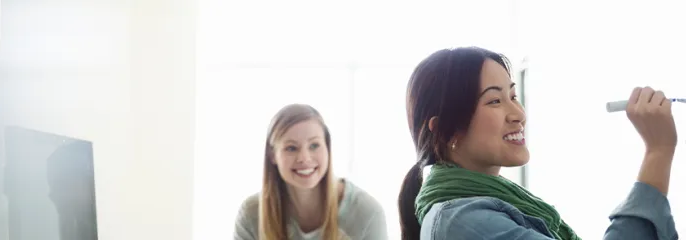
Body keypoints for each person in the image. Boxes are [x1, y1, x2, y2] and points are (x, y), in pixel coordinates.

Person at [397, 47, 678, 240]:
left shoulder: (483, 207)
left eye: (513, 96)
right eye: (494, 100)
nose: (518, 114)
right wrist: (658, 151)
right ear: (445, 131)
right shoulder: (462, 222)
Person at [234, 104, 388, 240]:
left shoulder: (367, 213)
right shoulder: (251, 214)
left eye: (314, 145)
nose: (304, 158)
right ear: (272, 155)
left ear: (327, 148)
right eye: (291, 148)